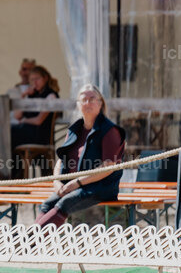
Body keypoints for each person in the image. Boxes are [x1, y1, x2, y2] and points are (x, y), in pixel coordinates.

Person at [35, 84, 125, 227]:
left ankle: (28, 240)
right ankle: (34, 244)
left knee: (65, 202)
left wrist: (77, 183)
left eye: (92, 99)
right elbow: (61, 161)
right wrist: (56, 182)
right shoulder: (74, 130)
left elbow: (108, 167)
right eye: (83, 99)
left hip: (100, 188)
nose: (87, 103)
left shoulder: (110, 130)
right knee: (47, 204)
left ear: (100, 103)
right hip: (74, 186)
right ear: (78, 104)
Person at [0, 65, 60, 179]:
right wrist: (24, 95)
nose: (35, 82)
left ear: (45, 78)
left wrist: (25, 120)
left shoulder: (50, 95)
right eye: (32, 80)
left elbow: (39, 120)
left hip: (38, 134)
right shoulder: (31, 95)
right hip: (25, 132)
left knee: (0, 133)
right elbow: (17, 115)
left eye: (37, 79)